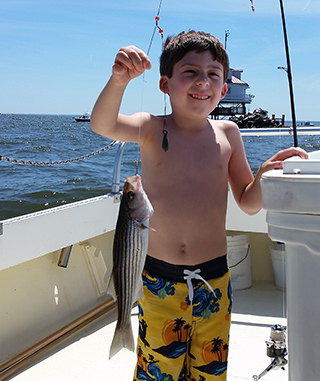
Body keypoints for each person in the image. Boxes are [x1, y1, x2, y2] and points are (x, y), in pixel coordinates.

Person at [91, 31, 307, 380]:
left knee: (210, 369)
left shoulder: (229, 134)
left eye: (213, 74)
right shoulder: (150, 127)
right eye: (190, 71)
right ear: (165, 83)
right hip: (159, 281)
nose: (202, 81)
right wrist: (119, 81)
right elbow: (103, 124)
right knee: (158, 371)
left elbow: (248, 202)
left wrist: (265, 174)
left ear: (223, 89)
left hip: (214, 281)